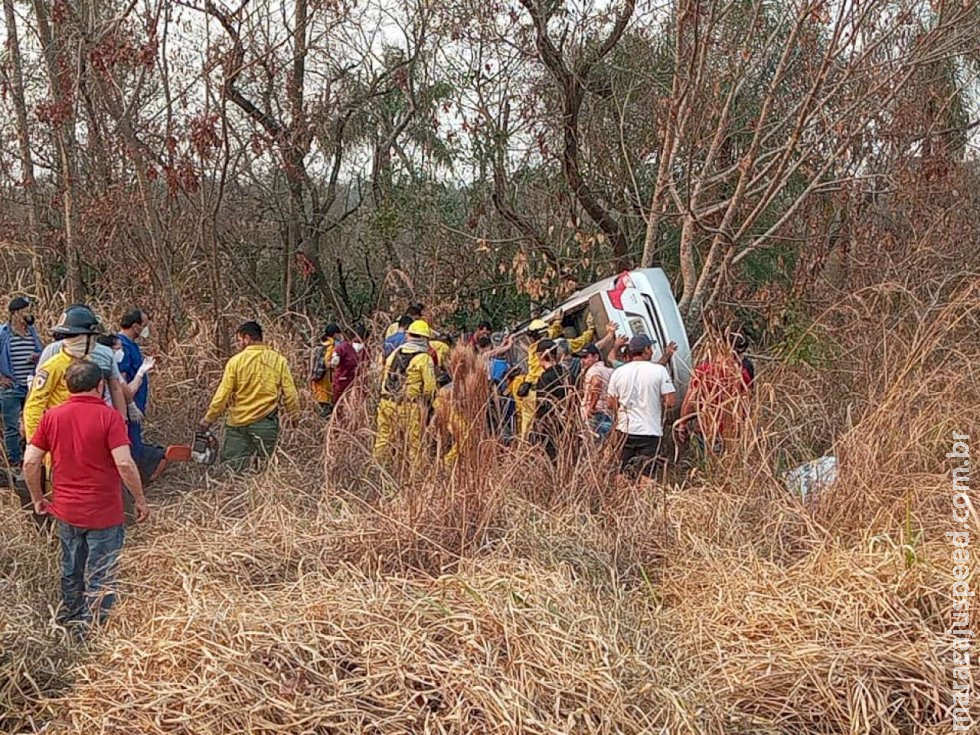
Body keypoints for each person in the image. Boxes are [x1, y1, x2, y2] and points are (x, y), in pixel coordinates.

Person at [22, 361, 149, 632]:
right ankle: (93, 630)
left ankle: (70, 617)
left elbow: (30, 461)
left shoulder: (51, 417)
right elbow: (125, 464)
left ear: (68, 386)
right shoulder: (110, 417)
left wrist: (37, 497)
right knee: (101, 572)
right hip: (104, 512)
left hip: (66, 510)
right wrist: (139, 499)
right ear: (100, 385)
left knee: (71, 568)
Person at [199, 321, 299, 472]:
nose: (239, 344)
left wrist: (208, 419)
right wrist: (294, 417)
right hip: (266, 424)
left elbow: (222, 395)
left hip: (237, 425)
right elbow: (290, 394)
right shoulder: (279, 361)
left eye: (240, 340)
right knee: (265, 470)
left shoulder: (235, 362)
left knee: (232, 470)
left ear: (247, 338)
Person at [23, 307, 117, 443]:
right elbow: (34, 407)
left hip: (84, 435)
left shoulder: (89, 363)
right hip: (59, 437)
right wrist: (36, 444)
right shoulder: (53, 366)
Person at [36, 305, 128, 419]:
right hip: (60, 420)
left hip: (93, 418)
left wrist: (122, 418)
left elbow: (115, 387)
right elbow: (38, 395)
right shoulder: (53, 352)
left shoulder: (104, 353)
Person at [606, 335, 677, 480]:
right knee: (647, 475)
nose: (652, 351)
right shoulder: (659, 370)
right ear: (646, 349)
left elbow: (610, 404)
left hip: (625, 430)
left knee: (623, 473)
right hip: (649, 431)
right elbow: (670, 402)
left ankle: (622, 494)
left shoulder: (618, 372)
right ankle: (644, 495)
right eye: (651, 348)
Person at [516, 313, 595, 440]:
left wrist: (557, 322)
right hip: (546, 390)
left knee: (528, 426)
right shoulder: (557, 347)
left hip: (529, 391)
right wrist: (590, 329)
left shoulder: (532, 349)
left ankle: (525, 446)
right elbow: (580, 342)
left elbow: (551, 332)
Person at [676, 332, 753, 455]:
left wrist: (683, 422)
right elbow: (746, 404)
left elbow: (691, 399)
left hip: (706, 428)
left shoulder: (703, 371)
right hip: (732, 432)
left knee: (706, 461)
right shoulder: (742, 376)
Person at [374, 320, 437, 463]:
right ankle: (416, 473)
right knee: (414, 443)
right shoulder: (424, 358)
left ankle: (378, 468)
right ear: (425, 339)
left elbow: (383, 374)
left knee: (383, 439)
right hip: (409, 406)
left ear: (408, 335)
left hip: (386, 402)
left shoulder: (395, 353)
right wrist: (427, 405)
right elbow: (430, 388)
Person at [116, 310, 165, 483]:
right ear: (135, 326)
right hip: (127, 408)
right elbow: (120, 382)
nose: (146, 329)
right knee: (130, 446)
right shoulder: (121, 347)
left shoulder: (131, 345)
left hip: (135, 406)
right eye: (144, 325)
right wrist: (129, 404)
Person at [1, 296, 43, 470]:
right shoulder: (3, 334)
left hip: (31, 385)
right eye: (26, 310)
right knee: (12, 426)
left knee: (33, 421)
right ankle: (15, 462)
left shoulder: (32, 332)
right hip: (11, 386)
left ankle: (32, 458)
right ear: (16, 313)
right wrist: (1, 378)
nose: (29, 314)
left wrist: (37, 357)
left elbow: (41, 352)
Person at [531, 340, 572, 461]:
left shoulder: (545, 378)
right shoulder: (565, 372)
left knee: (553, 458)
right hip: (567, 421)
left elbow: (542, 406)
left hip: (551, 426)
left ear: (540, 356)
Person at [330, 323, 369, 412]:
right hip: (354, 384)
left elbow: (334, 363)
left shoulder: (342, 348)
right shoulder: (366, 350)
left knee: (340, 407)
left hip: (344, 382)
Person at [579, 344, 614, 440]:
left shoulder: (593, 370)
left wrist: (591, 407)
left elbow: (597, 384)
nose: (582, 360)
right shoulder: (610, 371)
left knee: (594, 443)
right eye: (581, 357)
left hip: (596, 414)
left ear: (596, 357)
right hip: (608, 412)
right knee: (605, 443)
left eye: (585, 357)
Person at [310, 323, 341, 416]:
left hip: (317, 379)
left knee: (320, 404)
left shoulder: (321, 344)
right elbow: (327, 363)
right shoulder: (331, 345)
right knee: (325, 408)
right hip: (325, 381)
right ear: (335, 334)